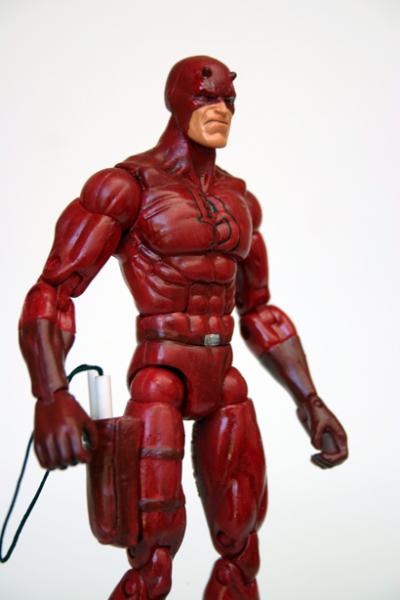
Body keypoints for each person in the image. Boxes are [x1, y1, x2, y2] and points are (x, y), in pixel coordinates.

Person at [19, 56, 348, 600]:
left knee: (241, 545)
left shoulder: (240, 200)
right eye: (205, 98)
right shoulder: (127, 186)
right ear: (175, 100)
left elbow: (259, 311)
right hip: (161, 375)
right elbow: (53, 291)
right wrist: (51, 394)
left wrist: (309, 401)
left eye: (229, 102)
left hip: (225, 380)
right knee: (152, 555)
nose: (220, 111)